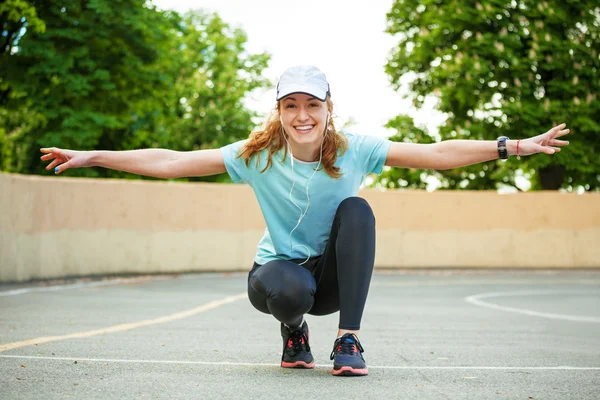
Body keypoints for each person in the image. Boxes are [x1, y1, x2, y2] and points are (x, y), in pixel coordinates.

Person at [40, 65, 570, 376]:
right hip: (276, 277)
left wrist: (515, 146)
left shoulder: (355, 149)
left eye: (311, 104)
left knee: (357, 209)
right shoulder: (256, 155)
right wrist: (94, 155)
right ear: (278, 111)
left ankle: (348, 340)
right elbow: (173, 160)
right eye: (290, 105)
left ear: (328, 107)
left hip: (333, 281)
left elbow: (435, 152)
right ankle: (294, 335)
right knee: (290, 285)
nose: (301, 116)